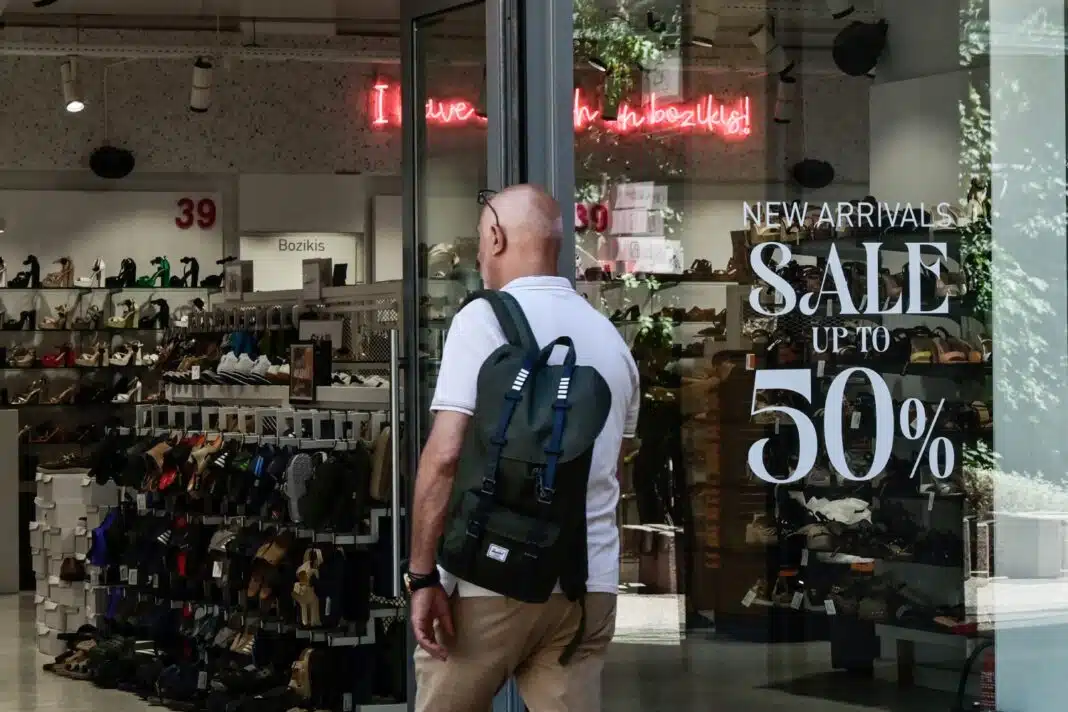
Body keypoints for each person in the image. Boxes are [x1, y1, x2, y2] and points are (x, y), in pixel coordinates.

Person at [406, 184, 640, 712]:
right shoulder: (609, 339)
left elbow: (445, 458)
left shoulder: (482, 320)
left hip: (491, 579)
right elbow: (614, 469)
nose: (479, 254)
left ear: (495, 237)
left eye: (478, 240)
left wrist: (422, 576)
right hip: (587, 585)